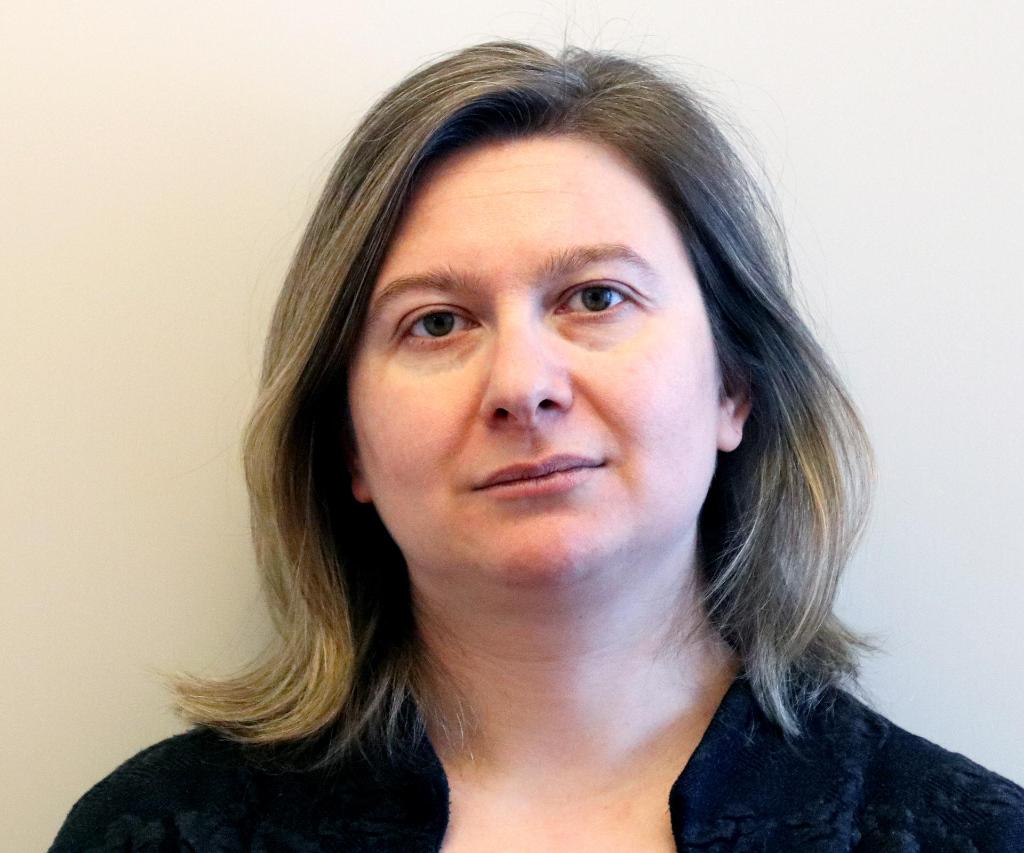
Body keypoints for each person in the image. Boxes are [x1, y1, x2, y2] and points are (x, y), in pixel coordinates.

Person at [51, 40, 1023, 852]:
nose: (522, 385)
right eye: (436, 322)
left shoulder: (972, 837)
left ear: (733, 385)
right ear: (346, 442)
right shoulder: (154, 833)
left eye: (596, 297)